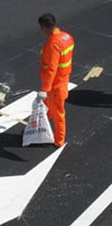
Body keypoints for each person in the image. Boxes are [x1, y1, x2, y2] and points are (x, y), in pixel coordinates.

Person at [37, 13, 74, 147]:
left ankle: (59, 140)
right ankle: (40, 127)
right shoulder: (67, 36)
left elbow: (52, 68)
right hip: (63, 79)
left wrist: (45, 89)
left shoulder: (53, 44)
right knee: (48, 107)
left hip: (55, 85)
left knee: (58, 113)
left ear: (43, 28)